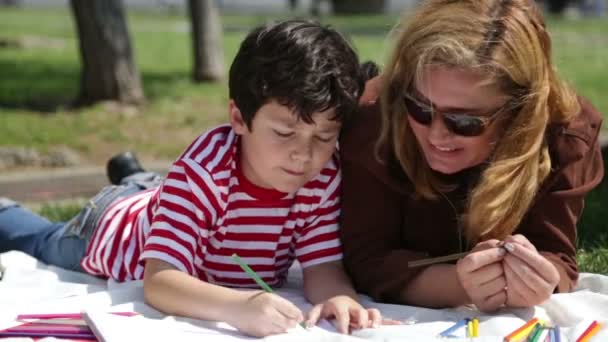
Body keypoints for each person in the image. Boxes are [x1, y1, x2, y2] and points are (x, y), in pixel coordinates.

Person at [0, 20, 384, 337]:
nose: (305, 154)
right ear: (238, 118)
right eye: (284, 134)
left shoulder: (322, 174)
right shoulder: (204, 174)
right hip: (108, 228)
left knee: (157, 190)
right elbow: (161, 280)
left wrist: (339, 296)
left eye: (323, 137)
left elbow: (322, 265)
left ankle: (136, 176)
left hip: (163, 200)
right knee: (39, 239)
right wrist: (239, 306)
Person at [339, 0, 604, 313]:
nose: (437, 135)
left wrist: (538, 280)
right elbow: (367, 259)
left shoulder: (563, 136)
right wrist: (459, 285)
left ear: (520, 113)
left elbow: (556, 259)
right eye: (420, 108)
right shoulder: (375, 124)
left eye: (464, 122)